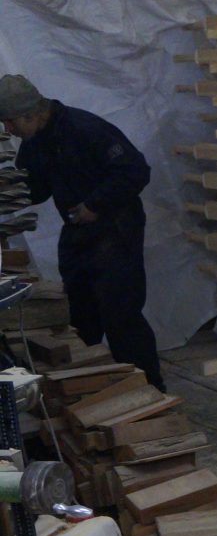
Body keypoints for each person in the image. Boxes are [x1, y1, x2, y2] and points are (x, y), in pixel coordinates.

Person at [0, 75, 164, 391]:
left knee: (121, 316)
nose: (9, 131)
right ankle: (89, 390)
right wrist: (8, 191)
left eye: (10, 122)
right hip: (77, 230)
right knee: (78, 316)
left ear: (31, 114)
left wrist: (96, 203)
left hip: (115, 227)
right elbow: (32, 188)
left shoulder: (85, 128)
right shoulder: (35, 141)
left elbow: (135, 171)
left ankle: (150, 391)